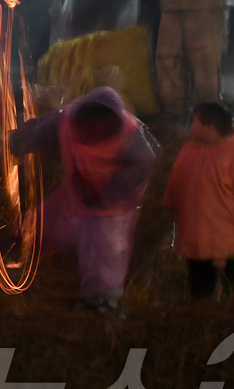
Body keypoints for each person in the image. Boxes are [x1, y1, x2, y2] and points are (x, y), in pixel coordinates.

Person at [10, 87, 160, 311]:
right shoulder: (68, 119)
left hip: (113, 206)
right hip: (79, 190)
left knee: (104, 251)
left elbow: (143, 164)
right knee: (44, 223)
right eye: (87, 128)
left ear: (111, 123)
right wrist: (24, 141)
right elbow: (45, 129)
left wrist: (109, 194)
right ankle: (28, 253)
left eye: (97, 129)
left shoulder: (130, 136)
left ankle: (102, 301)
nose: (91, 133)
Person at [161, 101, 234, 300]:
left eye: (195, 123)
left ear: (210, 127)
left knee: (233, 282)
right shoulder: (188, 152)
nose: (191, 127)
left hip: (229, 233)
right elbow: (176, 181)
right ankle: (203, 313)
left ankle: (232, 310)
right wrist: (169, 205)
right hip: (197, 233)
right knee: (200, 281)